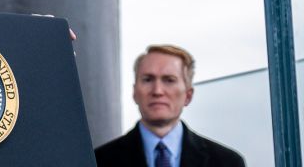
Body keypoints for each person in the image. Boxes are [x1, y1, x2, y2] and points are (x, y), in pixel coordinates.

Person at [94, 44, 245, 167]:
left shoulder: (227, 162)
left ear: (188, 95)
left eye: (169, 80)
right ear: (134, 92)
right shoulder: (97, 161)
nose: (157, 91)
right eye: (147, 79)